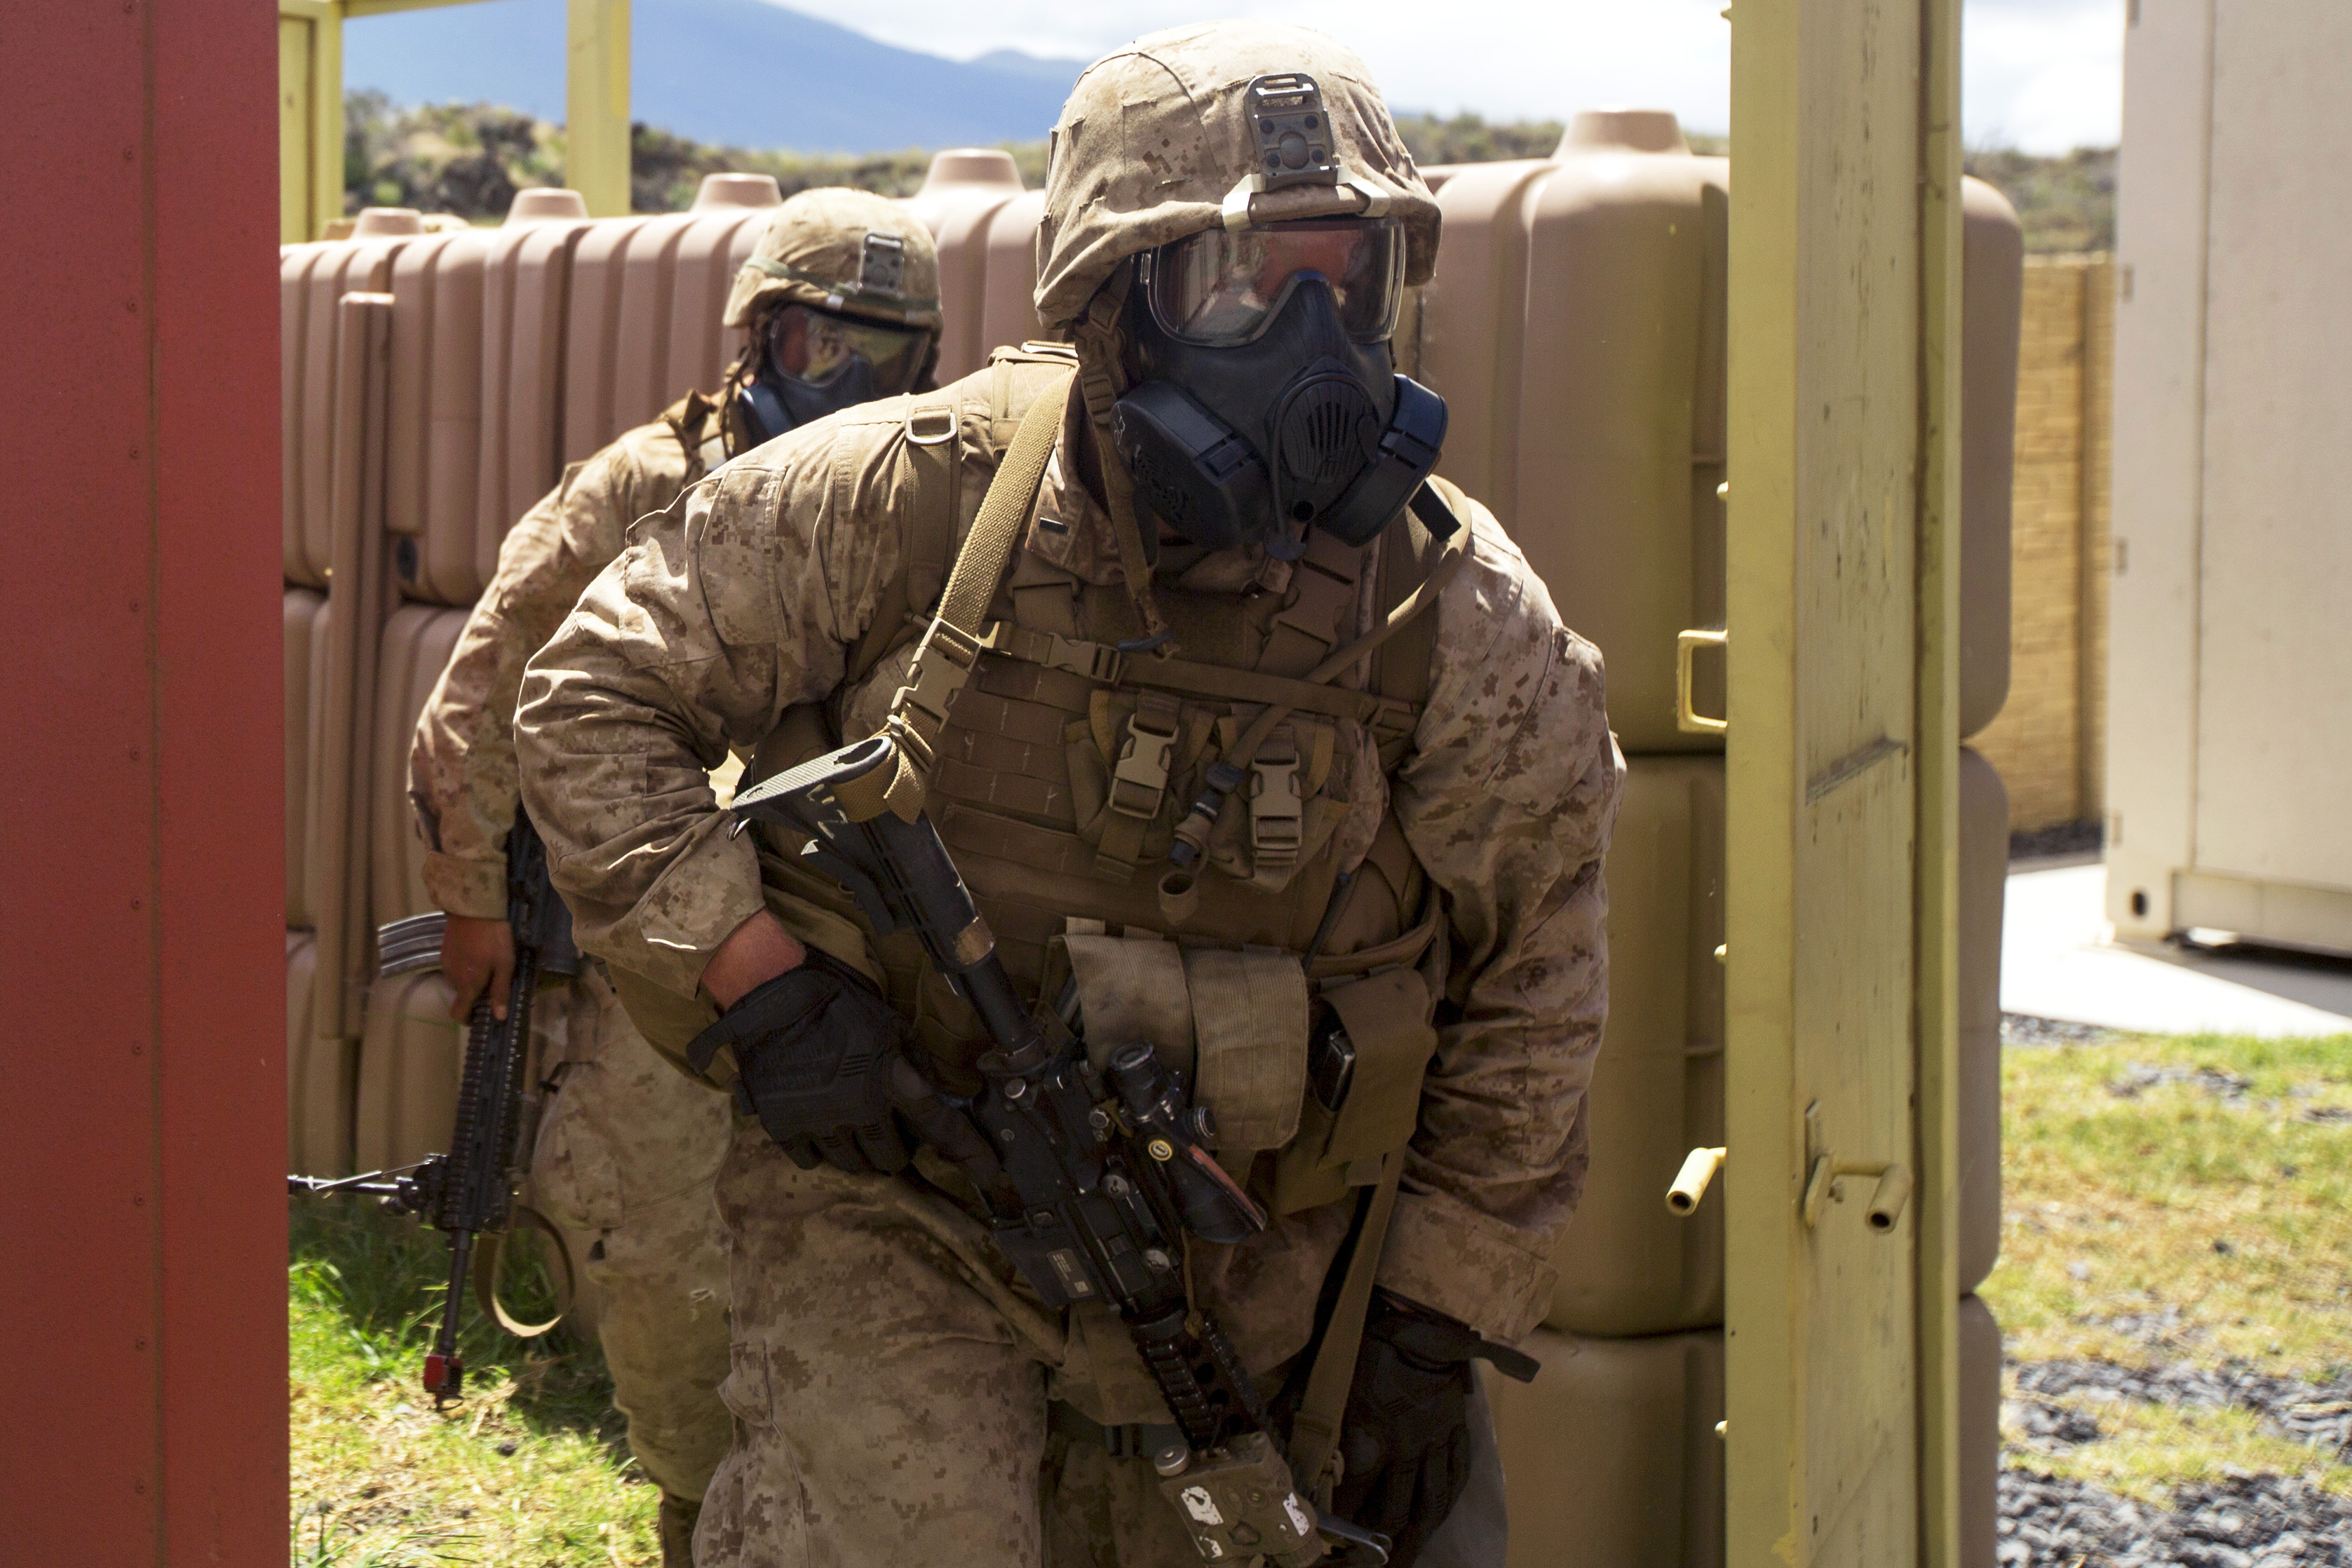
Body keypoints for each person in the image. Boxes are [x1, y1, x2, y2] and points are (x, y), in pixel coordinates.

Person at [515, 23, 1622, 1568]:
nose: (1312, 341)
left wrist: (1437, 1312)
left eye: (1346, 282)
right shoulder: (911, 496)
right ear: (1112, 305)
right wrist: (757, 988)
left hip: (1271, 1254)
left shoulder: (1449, 607)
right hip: (905, 1203)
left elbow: (1540, 964)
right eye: (1244, 285)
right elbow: (591, 697)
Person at [405, 187, 943, 1567]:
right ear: (758, 338)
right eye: (827, 351)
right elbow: (483, 696)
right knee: (668, 1269)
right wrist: (473, 899)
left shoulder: (917, 495)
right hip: (663, 950)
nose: (854, 391)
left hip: (851, 943)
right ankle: (694, 1516)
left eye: (888, 361)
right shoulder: (646, 484)